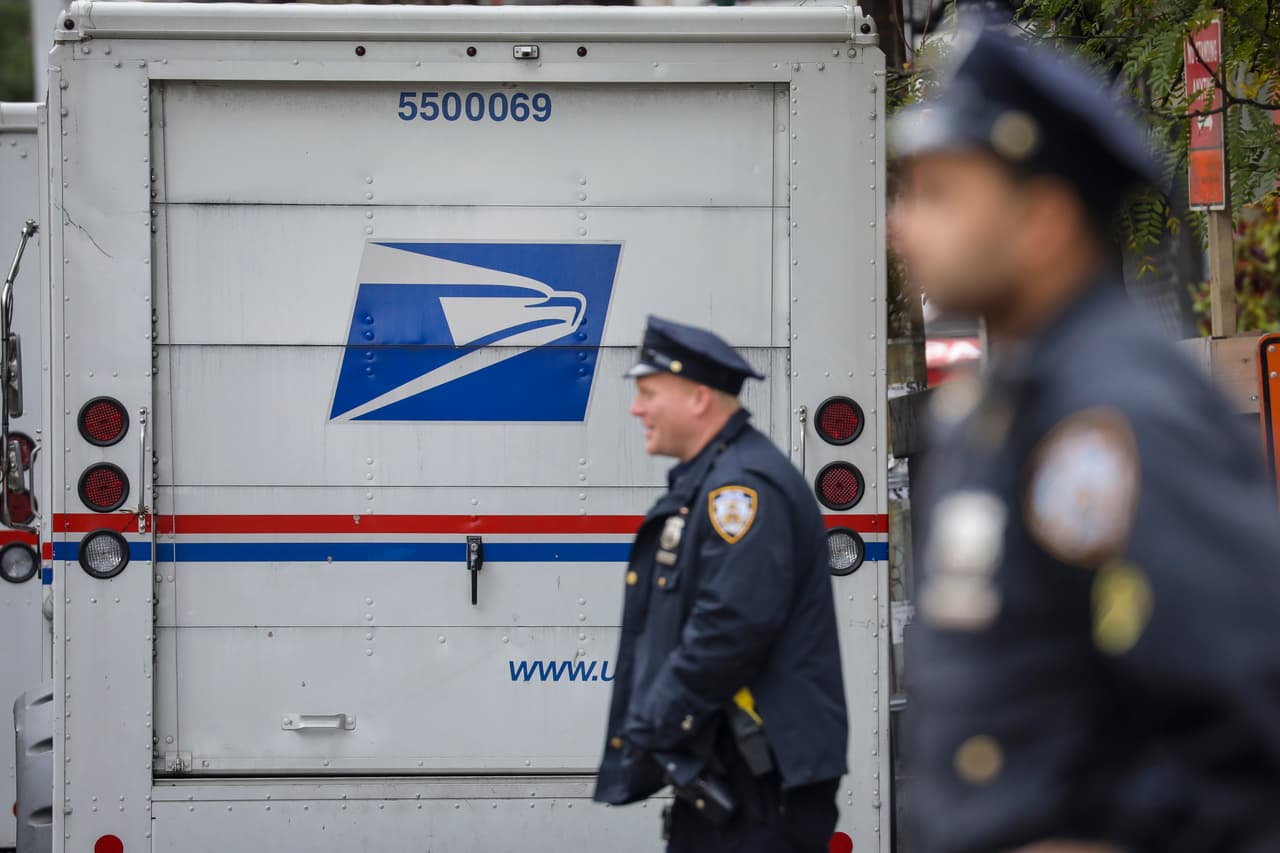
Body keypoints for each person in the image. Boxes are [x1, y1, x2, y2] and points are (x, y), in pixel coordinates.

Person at [889, 17, 1280, 853]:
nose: (904, 225)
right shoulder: (1007, 403)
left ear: (1043, 223)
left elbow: (1244, 718)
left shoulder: (1122, 414)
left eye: (943, 194)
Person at [593, 316, 848, 852]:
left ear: (699, 399)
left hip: (758, 778)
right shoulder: (717, 479)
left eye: (648, 393)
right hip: (739, 767)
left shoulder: (740, 490)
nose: (637, 408)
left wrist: (652, 722)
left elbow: (732, 626)